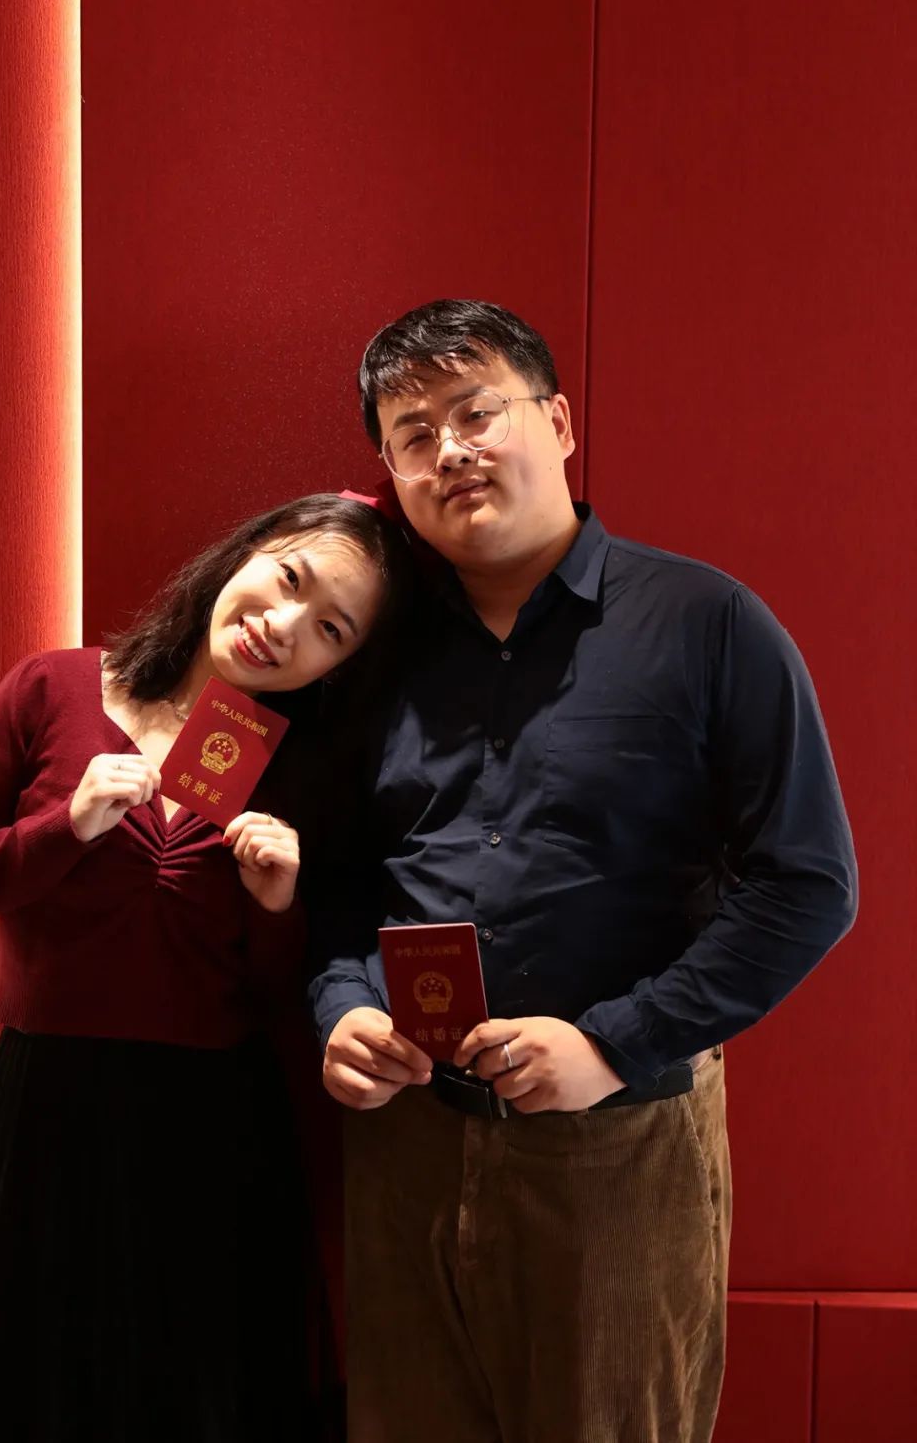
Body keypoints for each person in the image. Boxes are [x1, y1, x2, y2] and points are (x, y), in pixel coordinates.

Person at [309, 300, 858, 1443]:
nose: (449, 451)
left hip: (618, 1147)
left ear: (557, 423)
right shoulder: (377, 653)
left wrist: (613, 1044)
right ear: (393, 476)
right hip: (407, 1142)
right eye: (414, 435)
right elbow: (341, 879)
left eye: (477, 414)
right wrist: (343, 1006)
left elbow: (808, 885)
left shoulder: (707, 623)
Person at [0, 492, 407, 1443]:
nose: (283, 625)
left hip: (213, 1123)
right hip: (51, 1105)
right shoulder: (52, 688)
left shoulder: (304, 768)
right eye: (288, 578)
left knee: (195, 1395)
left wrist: (277, 906)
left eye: (330, 629)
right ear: (249, 551)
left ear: (341, 664)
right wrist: (65, 827)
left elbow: (274, 996)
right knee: (45, 1392)